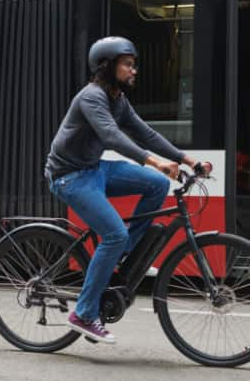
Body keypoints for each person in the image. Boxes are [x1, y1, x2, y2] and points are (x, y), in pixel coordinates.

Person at [44, 36, 210, 344]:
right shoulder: (91, 97)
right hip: (70, 176)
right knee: (115, 233)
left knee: (156, 184)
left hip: (93, 169)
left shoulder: (117, 97)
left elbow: (144, 132)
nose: (133, 70)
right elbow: (110, 136)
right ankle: (83, 314)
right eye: (127, 64)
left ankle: (124, 258)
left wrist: (188, 160)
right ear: (107, 66)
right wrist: (154, 162)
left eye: (134, 65)